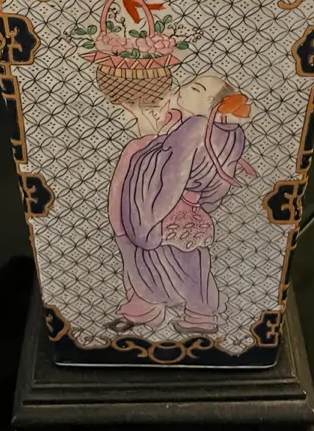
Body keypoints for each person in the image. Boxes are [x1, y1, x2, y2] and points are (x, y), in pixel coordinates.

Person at [106, 74, 253, 335]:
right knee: (169, 261)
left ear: (211, 105)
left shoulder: (197, 127)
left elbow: (173, 173)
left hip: (164, 206)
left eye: (196, 88)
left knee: (177, 262)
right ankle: (150, 309)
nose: (184, 88)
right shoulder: (193, 125)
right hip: (181, 207)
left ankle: (197, 315)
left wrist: (153, 215)